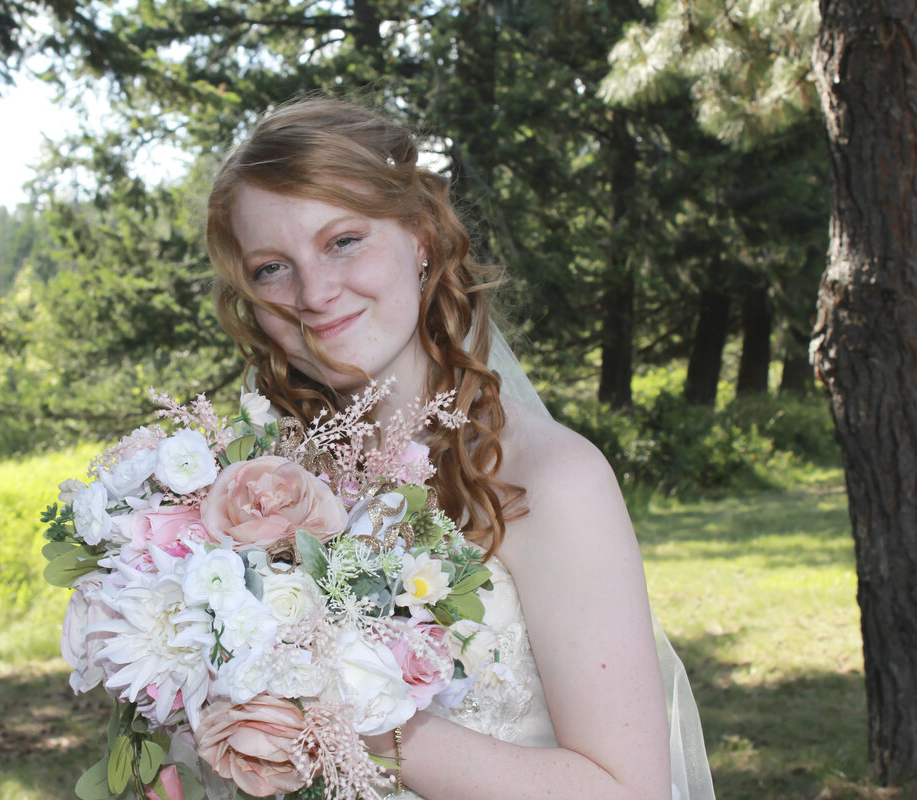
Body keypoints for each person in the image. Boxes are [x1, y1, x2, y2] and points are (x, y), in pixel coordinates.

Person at [205, 97, 714, 800]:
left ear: (420, 239)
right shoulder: (255, 495)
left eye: (343, 241)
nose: (315, 293)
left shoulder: (552, 479)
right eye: (271, 268)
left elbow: (628, 790)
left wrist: (344, 725)